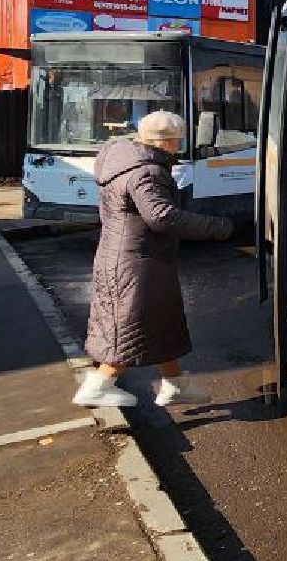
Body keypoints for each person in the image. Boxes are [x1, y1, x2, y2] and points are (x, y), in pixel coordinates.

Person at [73, 110, 235, 409]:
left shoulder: (124, 163)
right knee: (129, 326)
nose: (179, 148)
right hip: (137, 262)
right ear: (168, 142)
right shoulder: (147, 171)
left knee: (158, 322)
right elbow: (161, 216)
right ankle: (98, 386)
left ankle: (174, 384)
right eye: (177, 142)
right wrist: (216, 226)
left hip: (125, 256)